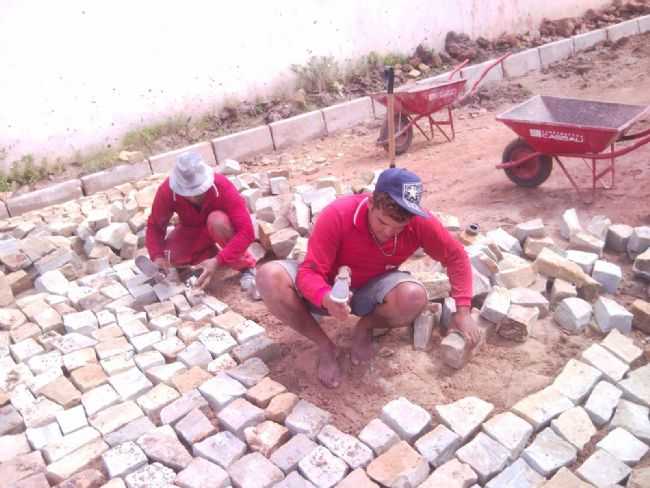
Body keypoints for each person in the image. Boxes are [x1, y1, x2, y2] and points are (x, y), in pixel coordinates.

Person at [256, 167, 480, 388]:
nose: (388, 232)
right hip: (328, 287)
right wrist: (326, 297)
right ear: (371, 203)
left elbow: (456, 256)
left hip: (372, 290)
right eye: (382, 222)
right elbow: (309, 273)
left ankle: (366, 327)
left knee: (413, 297)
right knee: (269, 276)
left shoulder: (419, 222)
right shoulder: (338, 214)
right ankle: (325, 346)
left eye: (398, 227)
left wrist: (462, 310)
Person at [145, 151, 256, 291]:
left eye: (198, 191)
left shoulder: (222, 185)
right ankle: (209, 255)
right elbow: (155, 226)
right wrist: (157, 256)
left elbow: (247, 232)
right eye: (187, 193)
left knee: (217, 221)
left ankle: (246, 267)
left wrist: (218, 261)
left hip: (219, 226)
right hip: (192, 229)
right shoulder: (167, 191)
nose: (194, 197)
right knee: (171, 256)